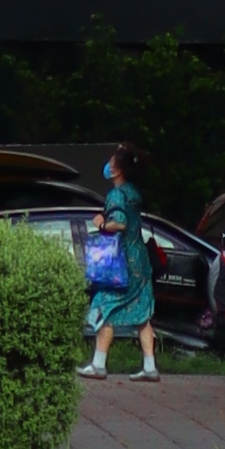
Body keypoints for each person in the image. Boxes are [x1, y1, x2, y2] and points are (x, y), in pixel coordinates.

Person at [83, 146, 160, 378]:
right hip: (140, 262)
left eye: (110, 161)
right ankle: (149, 366)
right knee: (142, 315)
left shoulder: (116, 195)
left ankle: (98, 364)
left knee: (103, 306)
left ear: (116, 170)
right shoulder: (134, 193)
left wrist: (101, 224)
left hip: (121, 263)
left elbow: (120, 223)